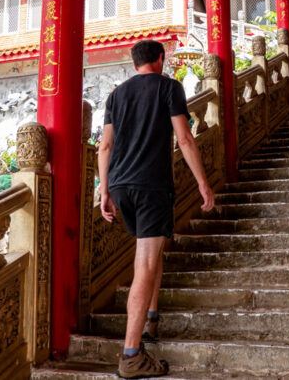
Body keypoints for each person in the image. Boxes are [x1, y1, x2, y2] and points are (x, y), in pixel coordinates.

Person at [98, 39, 216, 379]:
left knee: (153, 249)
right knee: (146, 262)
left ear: (135, 63)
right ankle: (132, 353)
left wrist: (105, 191)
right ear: (160, 59)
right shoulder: (169, 87)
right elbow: (185, 139)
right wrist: (203, 184)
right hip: (151, 185)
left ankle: (151, 318)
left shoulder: (115, 95)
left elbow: (105, 146)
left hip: (121, 186)